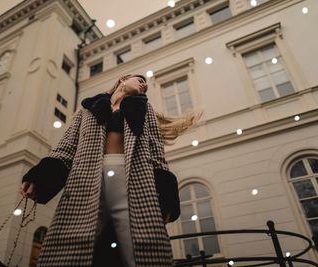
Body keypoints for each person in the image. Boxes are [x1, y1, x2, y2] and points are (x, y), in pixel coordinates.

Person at [20, 74, 202, 266]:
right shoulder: (88, 109)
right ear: (122, 79)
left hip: (133, 179)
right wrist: (40, 177)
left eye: (145, 84)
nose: (144, 84)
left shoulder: (144, 108)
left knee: (140, 244)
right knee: (71, 241)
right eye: (139, 79)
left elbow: (156, 151)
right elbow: (66, 148)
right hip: (86, 180)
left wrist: (166, 196)